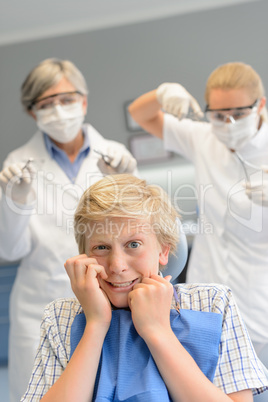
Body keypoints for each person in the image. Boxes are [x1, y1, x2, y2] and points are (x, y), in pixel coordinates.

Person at [21, 174, 268, 401]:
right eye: (101, 248)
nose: (117, 266)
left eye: (134, 244)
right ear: (83, 255)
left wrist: (157, 330)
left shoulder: (212, 303)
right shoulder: (61, 316)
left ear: (163, 250)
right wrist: (95, 324)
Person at [0, 58, 138, 402]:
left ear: (84, 101)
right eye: (46, 105)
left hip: (110, 301)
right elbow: (10, 250)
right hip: (41, 304)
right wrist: (16, 200)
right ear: (33, 113)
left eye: (66, 99)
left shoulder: (115, 156)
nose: (58, 111)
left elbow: (140, 234)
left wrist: (125, 184)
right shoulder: (18, 163)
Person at [127, 62, 268, 390]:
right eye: (218, 114)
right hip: (210, 284)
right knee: (207, 383)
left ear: (261, 104)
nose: (228, 123)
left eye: (238, 112)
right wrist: (162, 93)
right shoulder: (203, 138)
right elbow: (140, 114)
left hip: (261, 289)